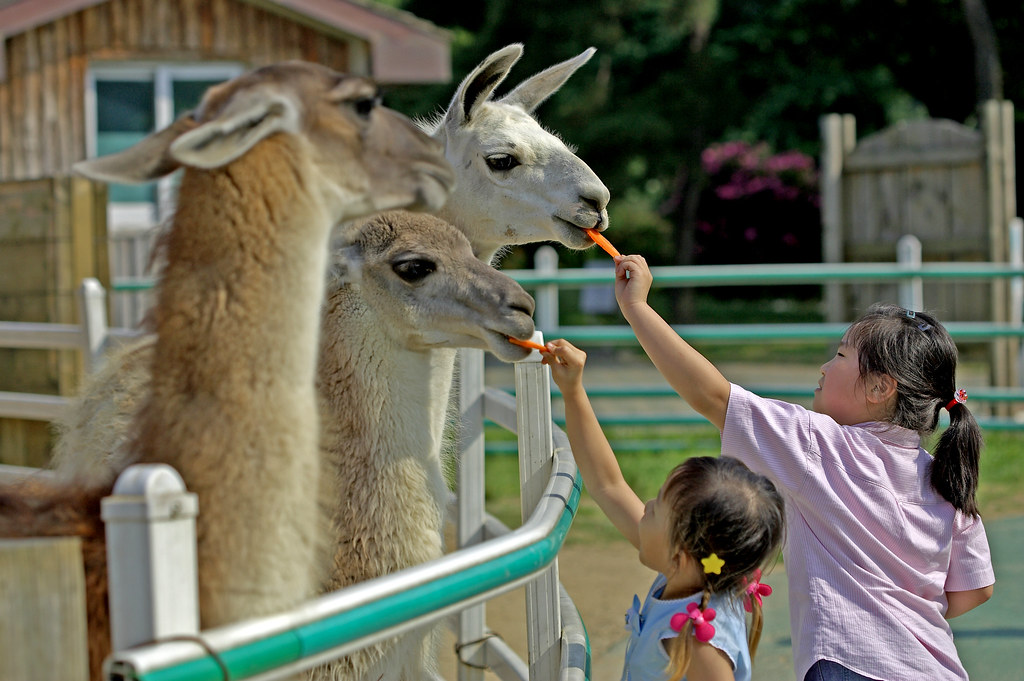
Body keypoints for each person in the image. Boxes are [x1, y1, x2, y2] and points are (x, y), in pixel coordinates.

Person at [598, 253, 995, 681]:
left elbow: (712, 396)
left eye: (841, 355)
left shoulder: (821, 446)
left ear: (880, 387)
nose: (825, 366)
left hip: (848, 665)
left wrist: (636, 308)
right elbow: (976, 589)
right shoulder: (946, 479)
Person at [542, 339, 785, 681]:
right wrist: (573, 391)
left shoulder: (700, 643)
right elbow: (607, 484)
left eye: (656, 509)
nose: (646, 507)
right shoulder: (690, 575)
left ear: (682, 554)